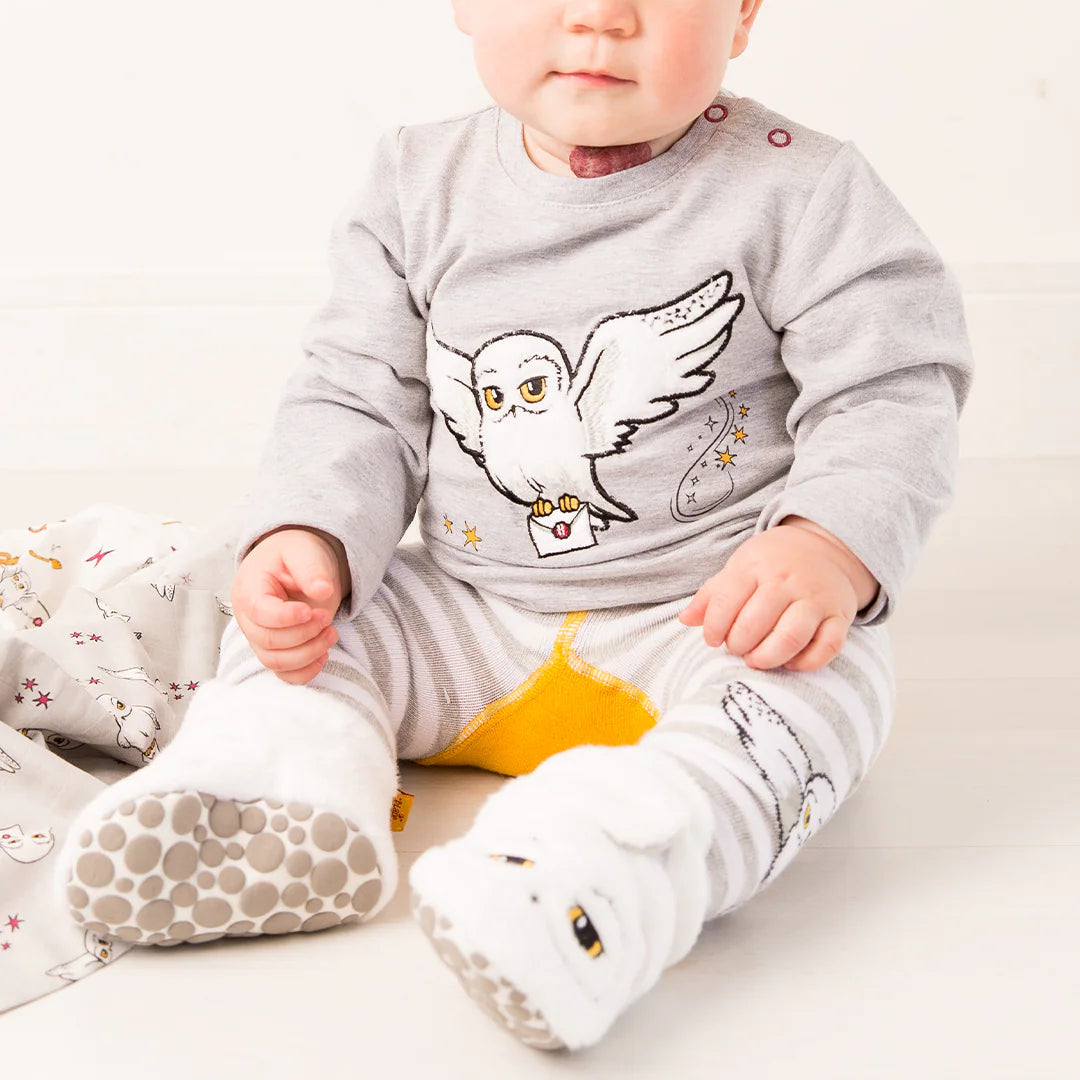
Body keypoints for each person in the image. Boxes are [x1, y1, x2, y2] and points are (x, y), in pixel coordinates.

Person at [57, 0, 973, 1051]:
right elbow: (359, 396)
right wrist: (309, 536)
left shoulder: (805, 189)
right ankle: (284, 789)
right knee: (306, 628)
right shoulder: (417, 182)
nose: (599, 16)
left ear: (744, 14)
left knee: (820, 688)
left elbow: (893, 388)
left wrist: (824, 542)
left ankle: (602, 876)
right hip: (469, 613)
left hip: (712, 617)